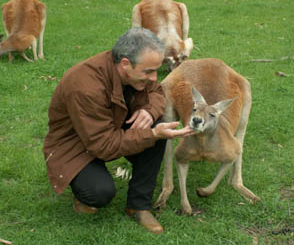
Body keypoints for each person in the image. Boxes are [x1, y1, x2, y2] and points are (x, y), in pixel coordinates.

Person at [43, 28, 193, 234]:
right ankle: (82, 192)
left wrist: (149, 112)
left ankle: (139, 206)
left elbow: (157, 92)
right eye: (149, 71)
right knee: (99, 193)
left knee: (157, 123)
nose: (153, 77)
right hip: (76, 144)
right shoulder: (85, 87)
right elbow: (103, 146)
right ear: (125, 64)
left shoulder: (136, 66)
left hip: (112, 125)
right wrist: (152, 134)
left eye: (156, 70)